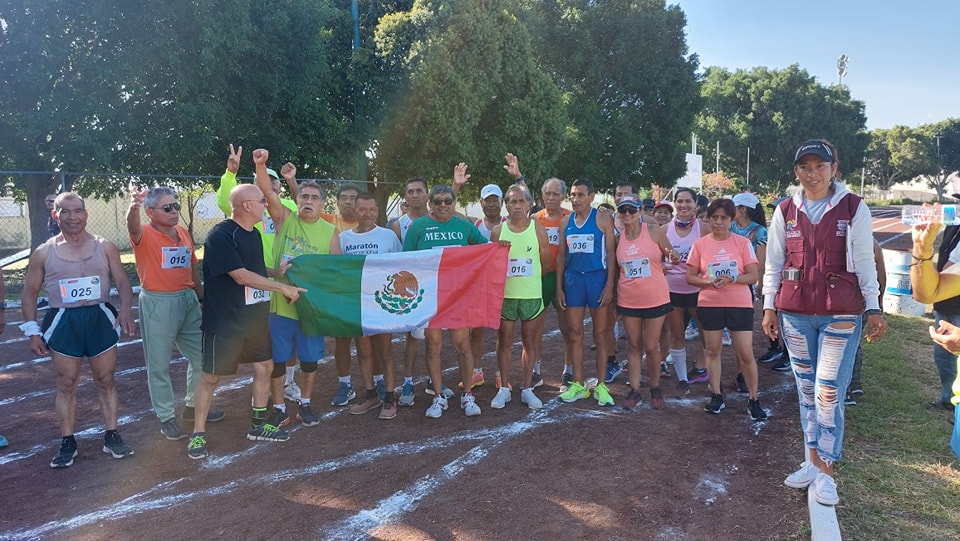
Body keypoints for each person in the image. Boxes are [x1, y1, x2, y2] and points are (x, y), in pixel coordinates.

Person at [763, 139, 886, 506]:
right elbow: (774, 262)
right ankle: (811, 462)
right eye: (805, 166)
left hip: (842, 313)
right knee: (805, 392)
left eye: (820, 166)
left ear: (835, 168)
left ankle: (827, 471)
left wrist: (874, 307)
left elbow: (864, 260)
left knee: (829, 389)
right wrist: (769, 307)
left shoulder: (853, 207)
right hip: (795, 314)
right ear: (796, 171)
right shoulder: (785, 209)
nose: (812, 173)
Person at [187, 181, 306, 460]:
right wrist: (282, 288)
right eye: (262, 201)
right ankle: (198, 434)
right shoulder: (220, 235)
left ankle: (257, 424)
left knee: (264, 366)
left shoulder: (253, 233)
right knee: (211, 376)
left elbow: (253, 268)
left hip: (253, 318)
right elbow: (240, 275)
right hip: (225, 321)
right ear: (247, 206)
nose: (267, 205)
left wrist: (276, 273)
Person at [20, 192, 137, 468]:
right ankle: (67, 441)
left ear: (86, 214)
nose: (72, 217)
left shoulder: (105, 246)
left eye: (77, 211)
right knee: (67, 382)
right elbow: (29, 291)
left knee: (106, 379)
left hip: (99, 317)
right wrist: (32, 330)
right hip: (63, 321)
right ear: (55, 215)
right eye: (65, 212)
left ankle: (111, 435)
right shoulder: (44, 252)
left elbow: (122, 280)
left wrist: (126, 309)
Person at [127, 186, 222, 442]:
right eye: (167, 208)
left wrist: (201, 297)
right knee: (159, 365)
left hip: (187, 299)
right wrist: (133, 206)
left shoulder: (181, 232)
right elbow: (132, 228)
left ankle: (193, 406)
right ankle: (167, 417)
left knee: (204, 357)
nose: (174, 211)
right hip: (159, 303)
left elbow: (191, 267)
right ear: (150, 211)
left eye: (175, 206)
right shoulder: (143, 233)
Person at [255, 150, 340, 428]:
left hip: (310, 307)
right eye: (304, 197)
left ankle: (305, 403)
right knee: (279, 359)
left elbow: (335, 272)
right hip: (281, 304)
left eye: (315, 198)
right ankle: (279, 406)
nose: (309, 201)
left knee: (309, 360)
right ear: (297, 200)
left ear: (322, 204)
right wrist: (261, 164)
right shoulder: (284, 219)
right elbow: (268, 192)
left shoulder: (330, 233)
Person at [216, 144, 303, 403]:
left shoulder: (286, 205)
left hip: (283, 278)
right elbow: (224, 200)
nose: (269, 185)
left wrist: (293, 181)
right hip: (254, 280)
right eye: (264, 181)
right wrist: (230, 174)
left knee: (285, 333)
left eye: (274, 182)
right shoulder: (247, 208)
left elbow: (305, 208)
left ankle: (288, 381)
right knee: (259, 336)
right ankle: (263, 389)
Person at [403, 167, 489, 418]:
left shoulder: (463, 226)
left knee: (463, 346)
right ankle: (438, 397)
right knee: (433, 347)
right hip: (429, 298)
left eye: (448, 201)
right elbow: (406, 262)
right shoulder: (418, 227)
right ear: (430, 204)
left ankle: (468, 395)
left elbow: (485, 251)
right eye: (438, 202)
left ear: (454, 203)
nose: (443, 205)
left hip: (457, 297)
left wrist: (500, 246)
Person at [686, 198, 766, 420]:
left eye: (723, 218)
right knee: (712, 351)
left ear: (731, 220)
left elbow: (752, 275)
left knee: (746, 353)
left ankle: (753, 398)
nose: (718, 222)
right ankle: (717, 395)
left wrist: (732, 278)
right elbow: (690, 277)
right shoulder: (700, 245)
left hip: (739, 304)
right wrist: (709, 282)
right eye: (714, 217)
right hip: (710, 303)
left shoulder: (741, 243)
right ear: (708, 219)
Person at [556, 178, 617, 406]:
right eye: (573, 195)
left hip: (596, 278)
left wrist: (609, 285)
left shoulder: (602, 219)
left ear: (591, 197)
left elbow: (611, 254)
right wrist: (560, 287)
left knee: (601, 334)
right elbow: (561, 256)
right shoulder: (566, 222)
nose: (576, 199)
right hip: (573, 280)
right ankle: (579, 384)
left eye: (581, 195)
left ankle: (601, 385)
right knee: (574, 332)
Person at [489, 184, 552, 409]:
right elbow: (490, 265)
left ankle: (527, 388)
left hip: (531, 296)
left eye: (521, 201)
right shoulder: (498, 231)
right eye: (512, 201)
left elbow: (546, 264)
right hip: (505, 296)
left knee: (529, 341)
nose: (517, 205)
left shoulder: (538, 229)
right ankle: (504, 388)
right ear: (506, 204)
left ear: (529, 204)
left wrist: (530, 283)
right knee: (503, 342)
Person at [341, 192, 403, 419]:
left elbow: (402, 266)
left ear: (377, 211)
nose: (367, 214)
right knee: (364, 352)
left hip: (383, 304)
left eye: (371, 209)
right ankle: (370, 394)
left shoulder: (388, 237)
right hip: (358, 304)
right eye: (363, 209)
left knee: (385, 351)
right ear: (355, 211)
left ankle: (389, 397)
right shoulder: (344, 238)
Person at [614, 194, 679, 410]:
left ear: (640, 212)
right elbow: (617, 271)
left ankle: (655, 387)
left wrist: (673, 255)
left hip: (655, 298)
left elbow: (669, 252)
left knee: (651, 347)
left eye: (632, 210)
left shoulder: (652, 231)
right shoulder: (618, 239)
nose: (627, 214)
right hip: (629, 298)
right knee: (633, 345)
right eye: (623, 210)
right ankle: (634, 390)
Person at [390, 176, 437, 407]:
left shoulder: (436, 219)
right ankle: (407, 381)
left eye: (420, 190)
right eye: (411, 191)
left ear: (427, 195)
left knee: (434, 337)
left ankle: (433, 379)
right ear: (406, 196)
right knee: (411, 337)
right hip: (410, 288)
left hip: (433, 287)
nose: (415, 194)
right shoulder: (398, 225)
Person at [663, 188, 709, 396]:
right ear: (674, 203)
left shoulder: (705, 229)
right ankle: (682, 379)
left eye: (688, 202)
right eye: (679, 201)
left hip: (698, 289)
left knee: (706, 333)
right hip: (672, 288)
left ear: (695, 204)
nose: (683, 206)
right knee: (677, 335)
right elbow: (657, 259)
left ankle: (703, 368)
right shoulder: (664, 230)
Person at [468, 183, 507, 391]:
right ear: (481, 202)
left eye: (495, 200)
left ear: (502, 202)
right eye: (487, 200)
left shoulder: (509, 224)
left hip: (504, 284)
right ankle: (477, 372)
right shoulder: (475, 226)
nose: (491, 204)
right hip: (480, 285)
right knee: (476, 330)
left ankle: (502, 374)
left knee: (503, 331)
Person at [729, 192, 768, 392]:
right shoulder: (730, 227)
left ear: (742, 209)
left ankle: (742, 374)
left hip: (745, 285)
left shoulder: (759, 232)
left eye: (733, 207)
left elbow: (759, 262)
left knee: (741, 332)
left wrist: (758, 282)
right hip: (727, 283)